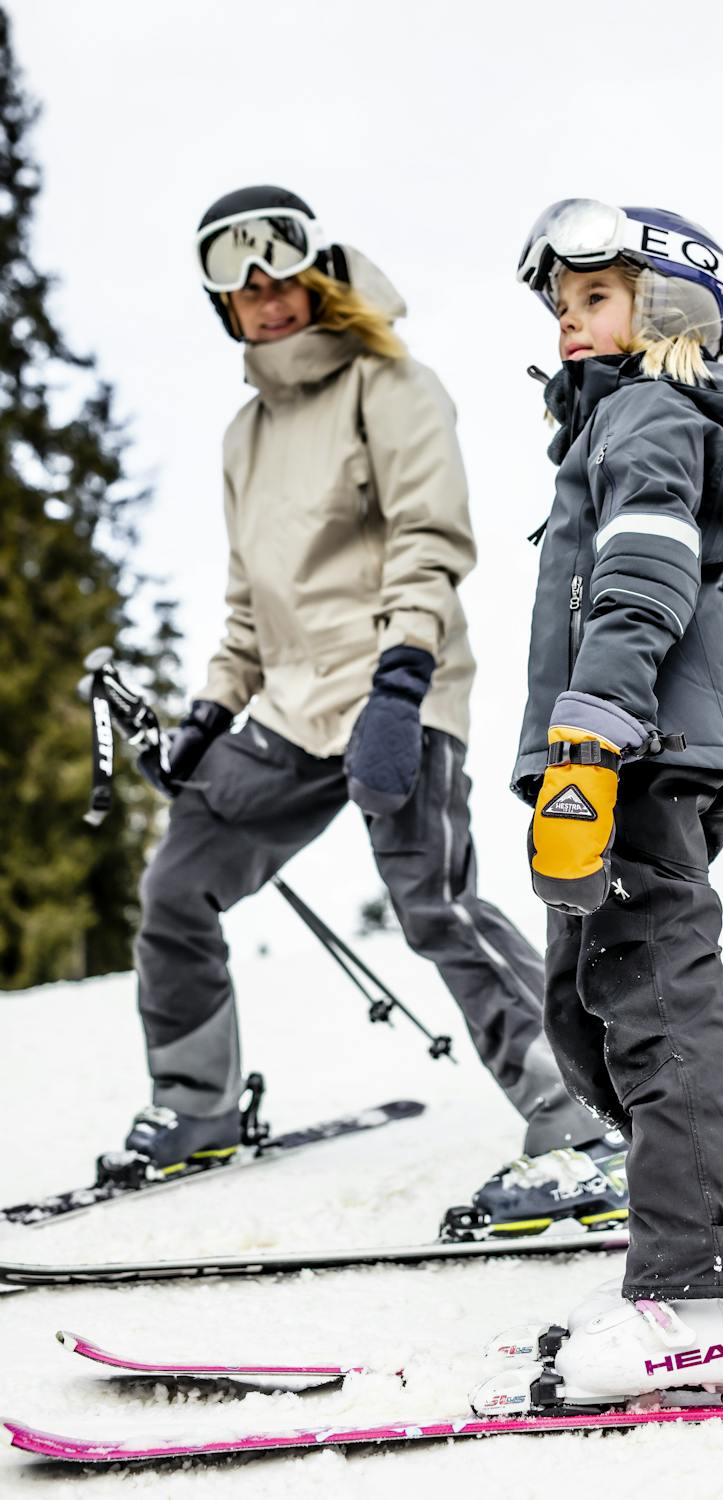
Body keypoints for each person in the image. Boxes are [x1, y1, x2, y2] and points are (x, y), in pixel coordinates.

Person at [123, 185, 622, 1227]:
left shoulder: (390, 386)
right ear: (222, 304)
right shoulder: (243, 437)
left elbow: (428, 544)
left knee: (432, 901)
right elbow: (246, 607)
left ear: (315, 269)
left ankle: (578, 1109)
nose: (262, 293)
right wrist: (209, 717)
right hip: (294, 709)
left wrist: (400, 689)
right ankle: (195, 1103)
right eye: (235, 277)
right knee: (178, 883)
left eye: (277, 267)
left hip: (400, 680)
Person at [495, 198, 723, 1400]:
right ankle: (680, 1250)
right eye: (560, 306)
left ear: (668, 308)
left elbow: (643, 567)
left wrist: (590, 731)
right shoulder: (616, 424)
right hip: (627, 741)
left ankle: (713, 1288)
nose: (570, 325)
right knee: (593, 1010)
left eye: (596, 298)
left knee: (655, 1001)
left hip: (631, 743)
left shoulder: (645, 413)